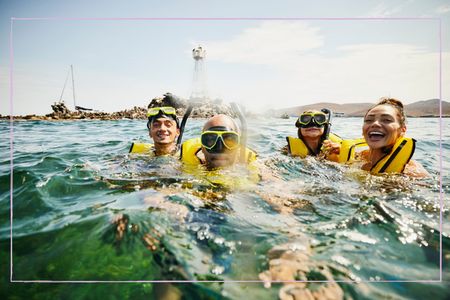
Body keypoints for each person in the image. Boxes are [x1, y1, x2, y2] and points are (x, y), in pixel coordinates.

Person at [333, 98, 429, 177]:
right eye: (369, 120)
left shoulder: (413, 172)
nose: (375, 123)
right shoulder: (358, 156)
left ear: (402, 130)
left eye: (386, 120)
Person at [181, 114, 257, 169]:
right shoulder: (184, 166)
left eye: (229, 140)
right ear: (202, 147)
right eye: (211, 140)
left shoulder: (253, 166)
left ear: (238, 146)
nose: (219, 148)